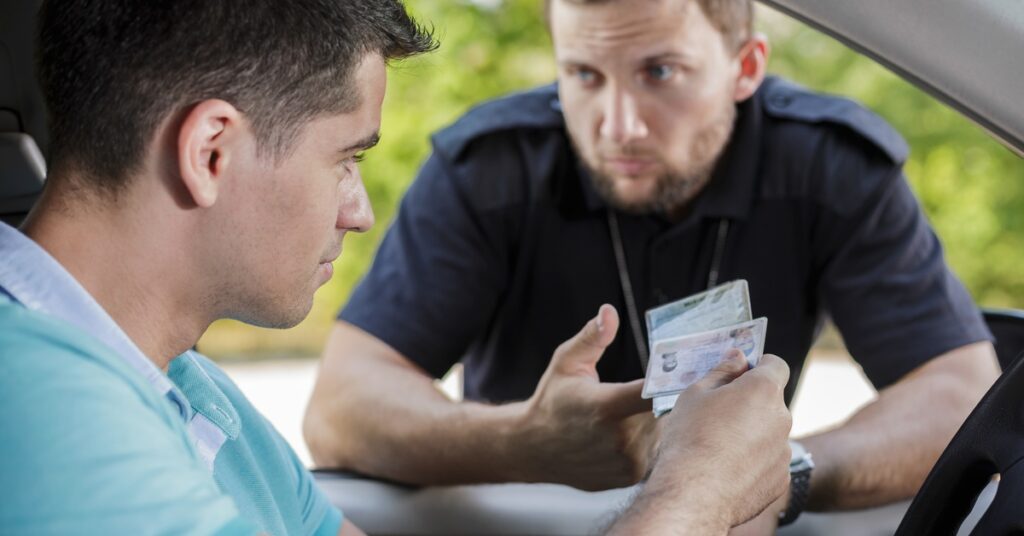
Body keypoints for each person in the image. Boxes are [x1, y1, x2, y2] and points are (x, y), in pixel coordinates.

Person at [0, 0, 793, 534]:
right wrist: (696, 493)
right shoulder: (32, 399)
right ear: (211, 151)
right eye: (346, 159)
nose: (359, 210)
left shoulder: (187, 389)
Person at [303, 0, 1002, 528]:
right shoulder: (492, 169)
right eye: (583, 74)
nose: (618, 124)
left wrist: (772, 472)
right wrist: (526, 441)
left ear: (746, 67)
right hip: (523, 516)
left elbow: (956, 392)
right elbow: (343, 405)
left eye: (659, 72)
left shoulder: (829, 166)